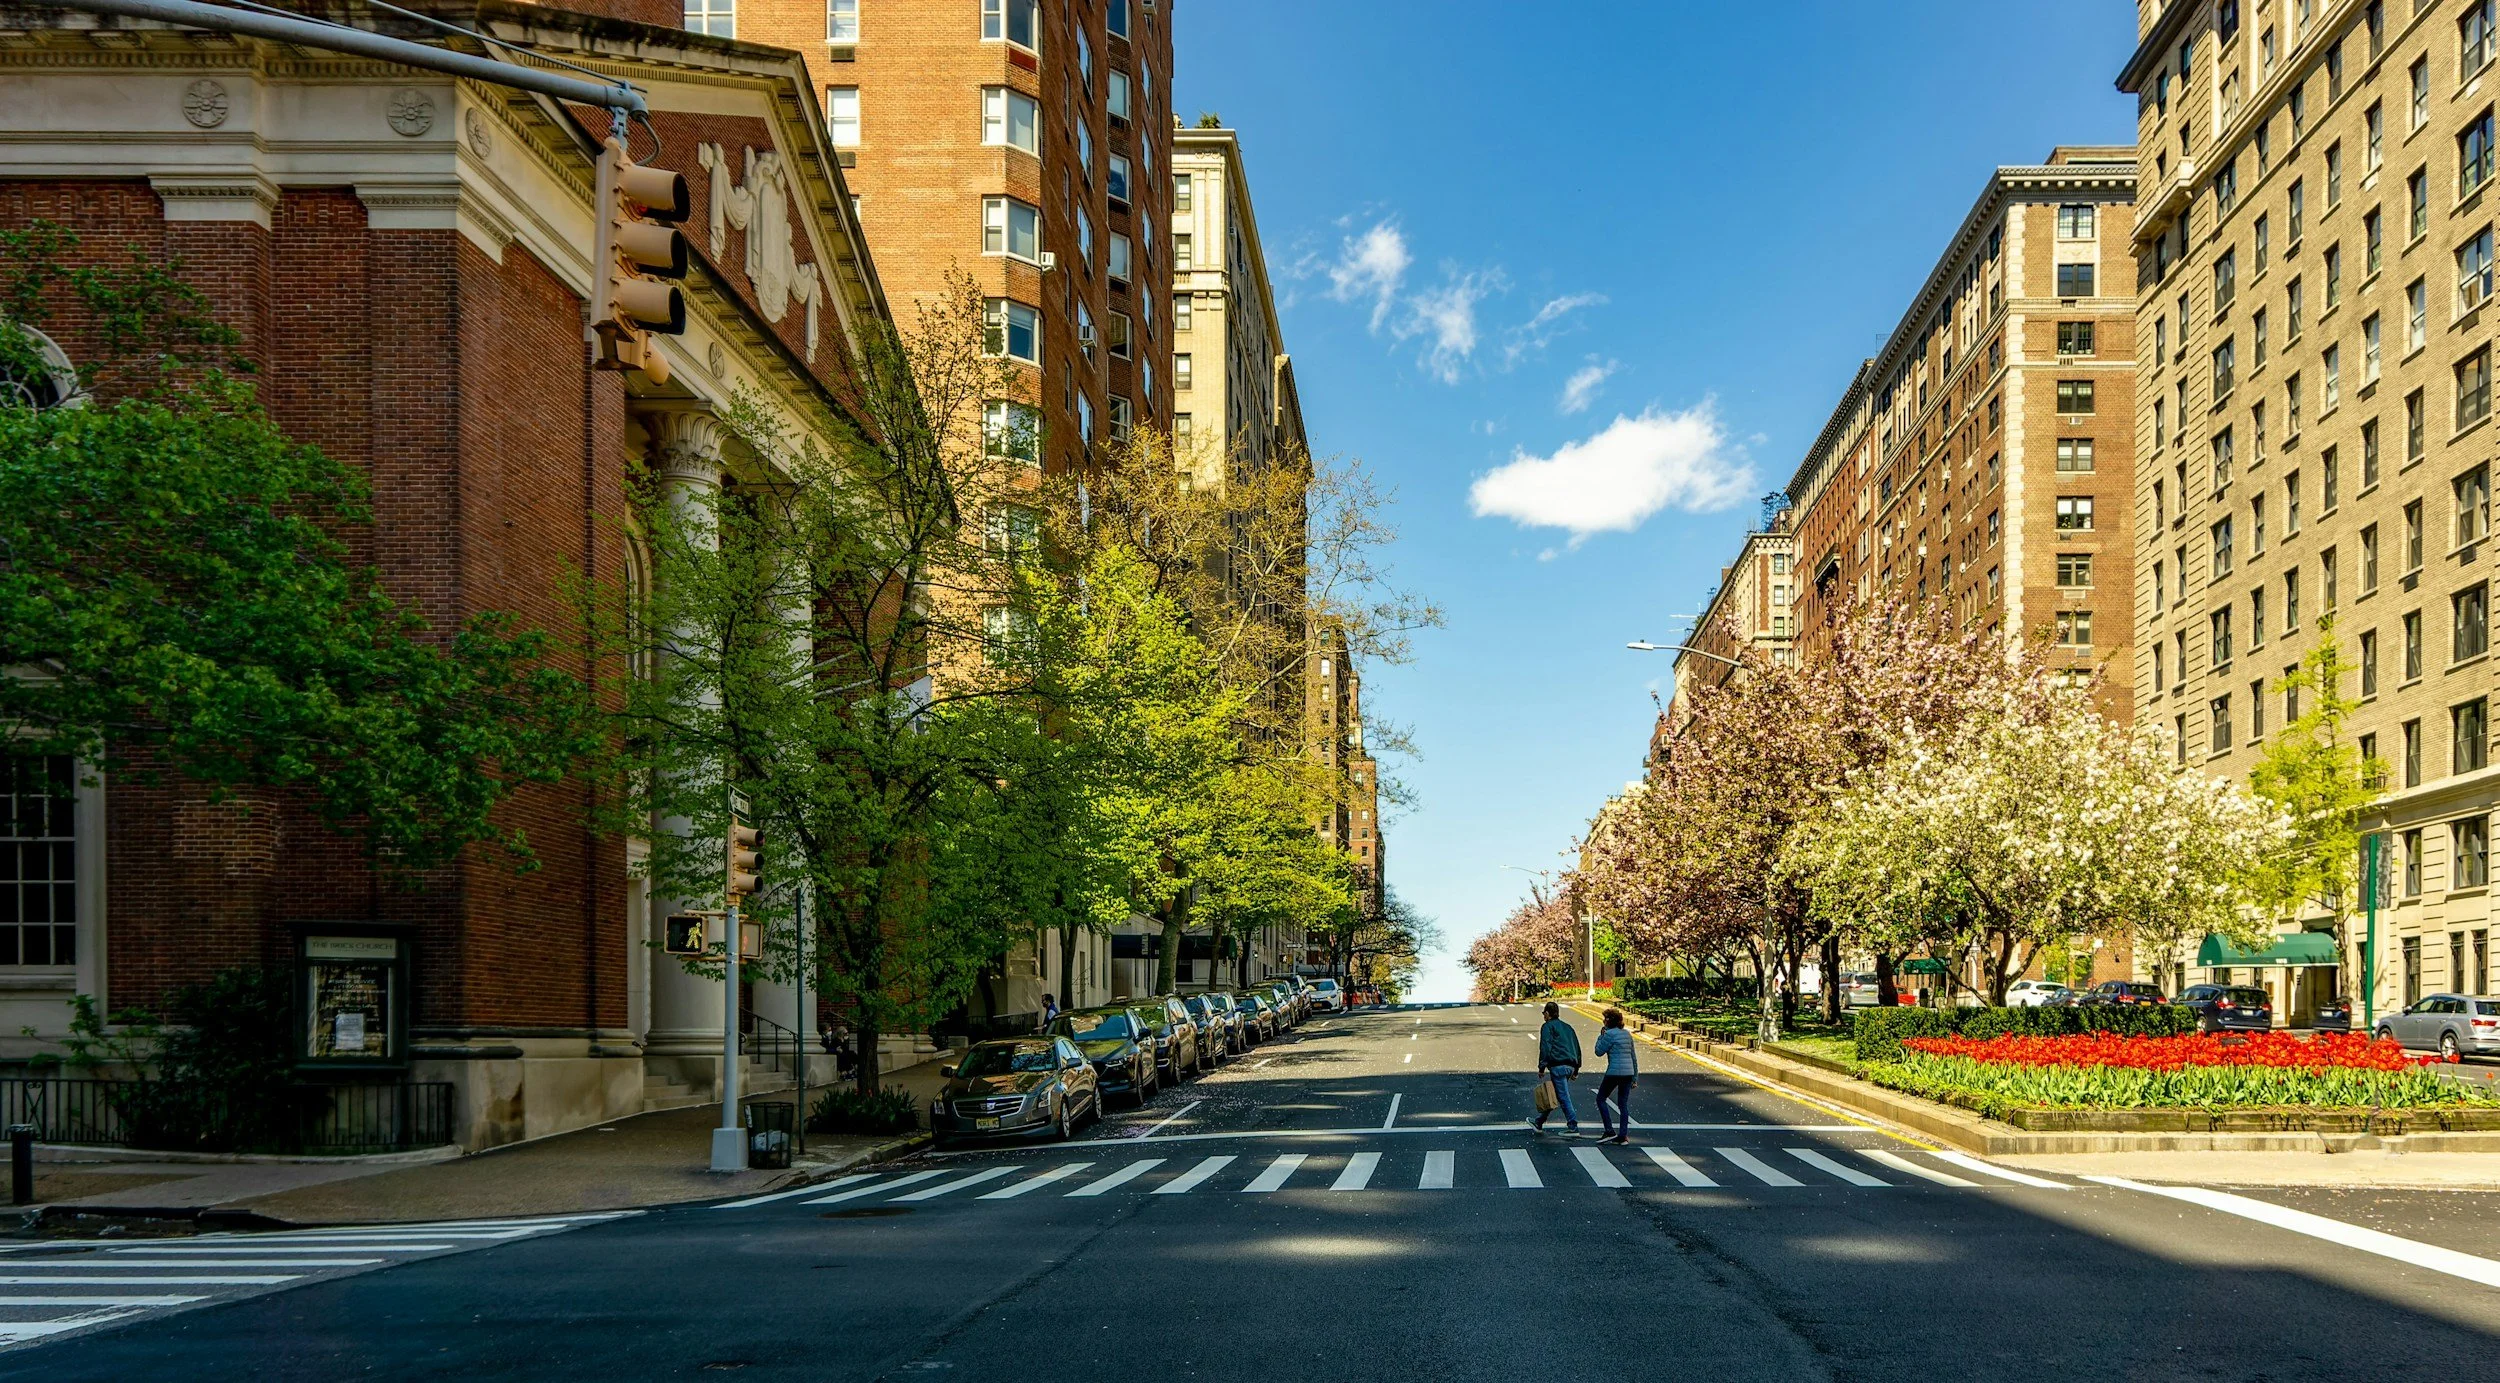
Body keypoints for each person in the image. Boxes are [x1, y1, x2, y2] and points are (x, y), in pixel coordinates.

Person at [1532, 1000, 1582, 1136]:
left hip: (1558, 1066)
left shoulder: (1547, 1026)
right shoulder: (1568, 1027)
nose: (1543, 1016)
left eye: (1544, 1013)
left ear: (1547, 1014)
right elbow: (1577, 1048)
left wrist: (1542, 1067)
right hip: (1570, 1066)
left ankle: (1573, 1126)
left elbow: (1545, 1046)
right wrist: (1576, 1069)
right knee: (1554, 1093)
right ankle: (1539, 1122)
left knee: (1563, 1096)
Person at [1592, 1008, 1636, 1145]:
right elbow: (1633, 1057)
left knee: (1600, 1099)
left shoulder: (1609, 1034)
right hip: (1628, 1073)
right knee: (1623, 1104)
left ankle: (1609, 1130)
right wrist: (1635, 1078)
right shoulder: (1627, 1034)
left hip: (1614, 1072)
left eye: (1605, 1018)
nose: (1603, 1020)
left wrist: (1601, 1036)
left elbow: (1599, 1051)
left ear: (1609, 1021)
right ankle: (1623, 1136)